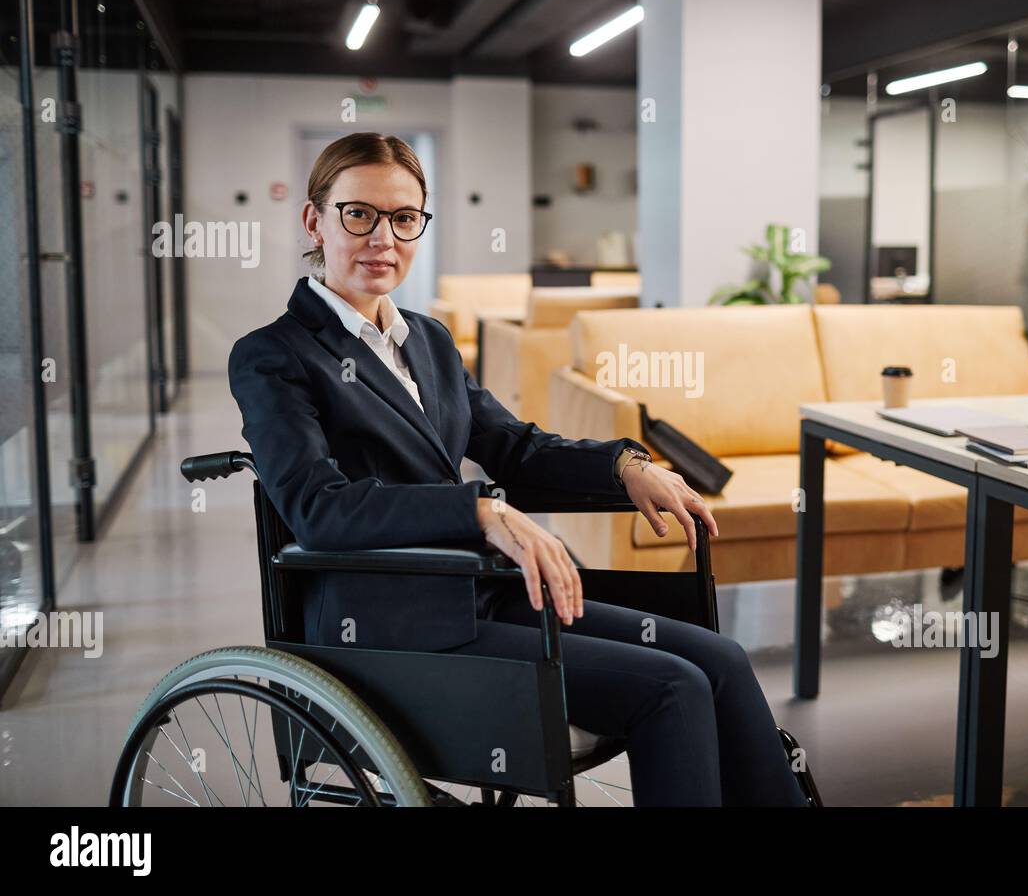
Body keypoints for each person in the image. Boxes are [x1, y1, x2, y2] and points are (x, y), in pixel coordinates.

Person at [227, 132, 808, 806]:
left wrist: (622, 465)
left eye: (403, 218)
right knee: (673, 687)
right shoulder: (275, 356)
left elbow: (514, 449)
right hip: (392, 624)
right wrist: (478, 509)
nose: (382, 238)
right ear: (315, 220)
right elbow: (319, 507)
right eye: (359, 214)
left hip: (483, 591)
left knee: (722, 660)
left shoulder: (428, 340)